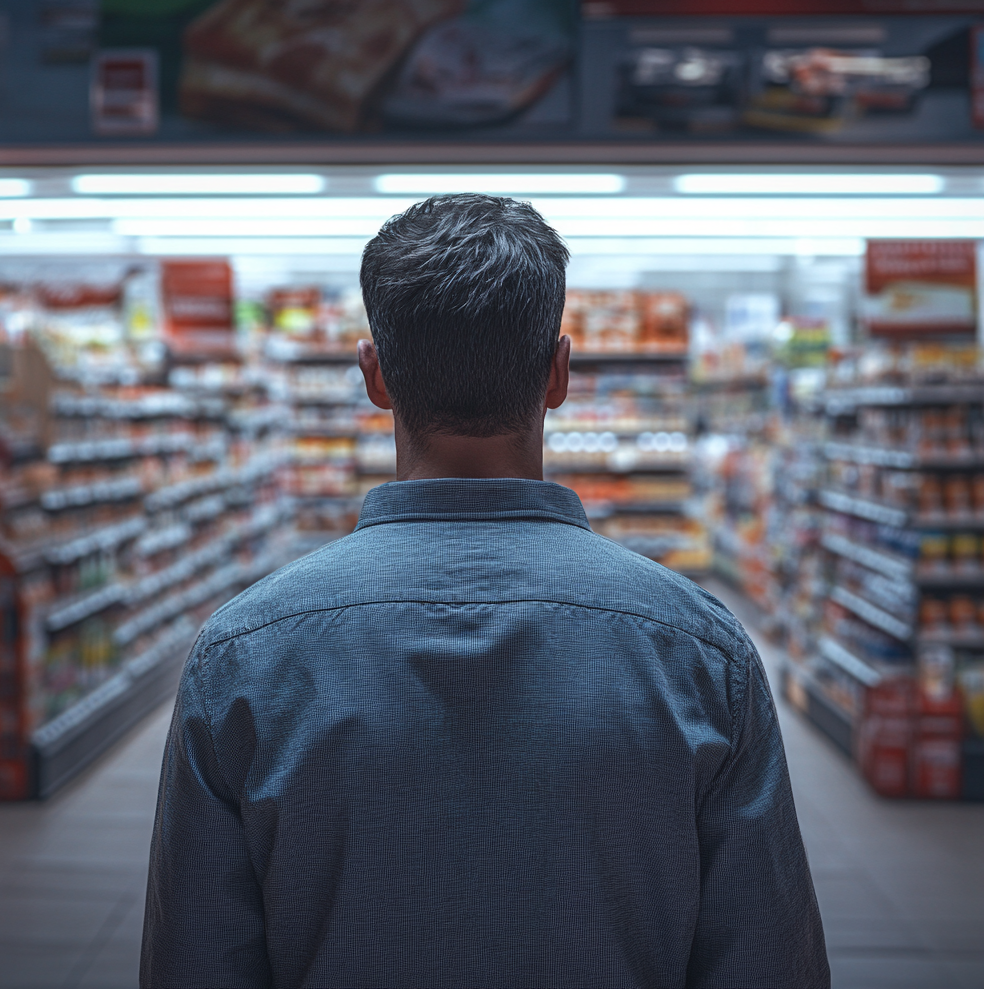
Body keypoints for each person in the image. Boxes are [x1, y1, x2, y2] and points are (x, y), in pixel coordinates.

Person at [140, 194, 830, 989]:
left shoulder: (241, 658)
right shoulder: (704, 654)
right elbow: (770, 963)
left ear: (375, 377)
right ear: (559, 374)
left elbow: (192, 961)